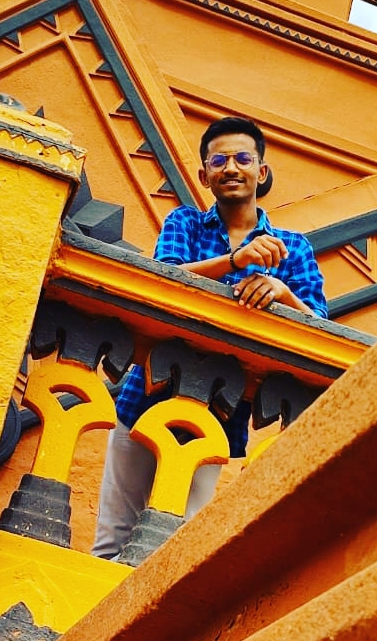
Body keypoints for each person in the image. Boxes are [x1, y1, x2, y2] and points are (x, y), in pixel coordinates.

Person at [91, 116, 328, 560]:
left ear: (262, 171)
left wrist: (281, 292)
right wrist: (235, 260)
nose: (231, 168)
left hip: (220, 417)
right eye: (219, 161)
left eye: (243, 159)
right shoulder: (185, 222)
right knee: (112, 540)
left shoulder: (293, 248)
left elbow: (319, 324)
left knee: (175, 550)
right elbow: (164, 280)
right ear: (204, 176)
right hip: (142, 401)